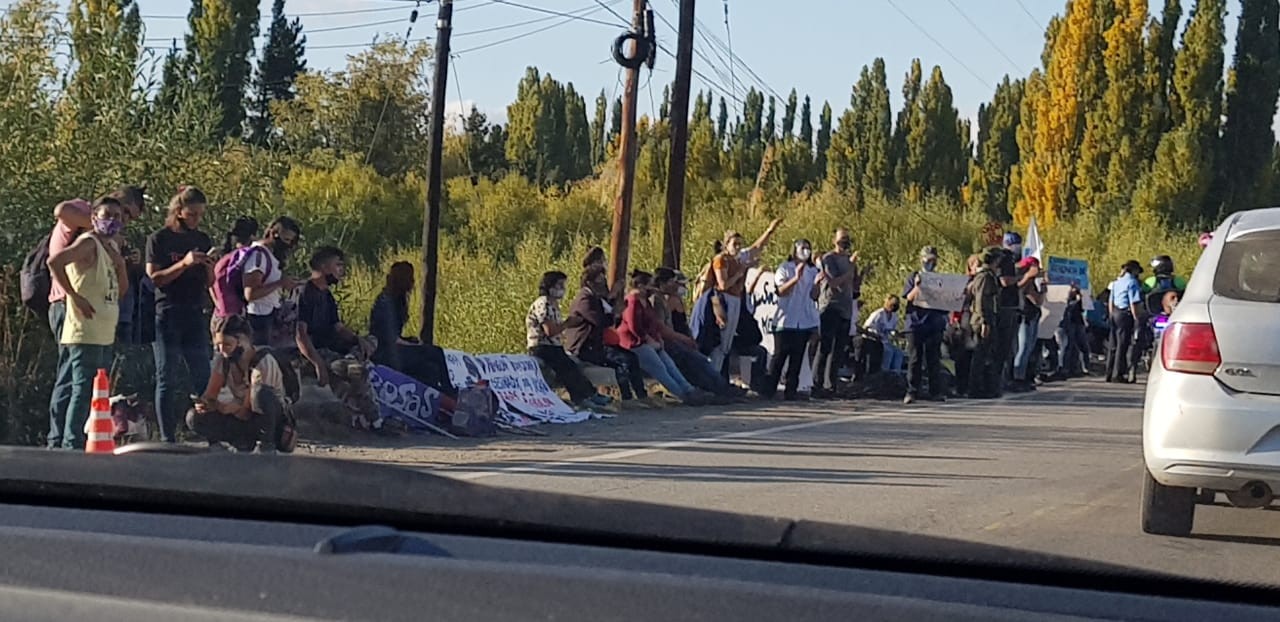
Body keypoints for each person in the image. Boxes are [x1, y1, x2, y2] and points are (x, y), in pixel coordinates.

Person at [45, 196, 128, 449]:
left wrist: (120, 263)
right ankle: (70, 442)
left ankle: (82, 438)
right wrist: (74, 296)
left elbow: (120, 290)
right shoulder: (88, 243)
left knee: (95, 389)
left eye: (118, 217)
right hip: (85, 329)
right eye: (107, 215)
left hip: (103, 329)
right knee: (80, 389)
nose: (113, 221)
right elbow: (55, 261)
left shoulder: (109, 248)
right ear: (94, 218)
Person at [145, 186, 215, 443]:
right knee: (167, 375)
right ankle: (167, 437)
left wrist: (208, 266)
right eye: (192, 214)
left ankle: (211, 433)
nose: (196, 220)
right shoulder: (159, 239)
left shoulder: (202, 239)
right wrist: (183, 263)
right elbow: (155, 278)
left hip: (194, 312)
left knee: (202, 376)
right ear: (179, 211)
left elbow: (210, 282)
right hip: (167, 312)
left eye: (200, 215)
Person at [295, 246, 383, 429]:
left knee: (372, 341)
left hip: (333, 348)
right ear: (324, 266)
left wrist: (359, 340)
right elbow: (300, 335)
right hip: (316, 352)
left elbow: (338, 327)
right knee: (358, 372)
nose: (341, 270)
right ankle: (375, 420)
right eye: (338, 265)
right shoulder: (305, 293)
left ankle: (352, 359)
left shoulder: (326, 295)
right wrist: (318, 364)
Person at [188, 316, 287, 453]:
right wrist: (205, 404)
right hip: (240, 415)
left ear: (242, 341)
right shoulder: (223, 360)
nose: (223, 351)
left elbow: (247, 410)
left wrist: (227, 408)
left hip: (265, 418)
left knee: (260, 394)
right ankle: (235, 443)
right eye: (219, 346)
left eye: (227, 345)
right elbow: (210, 394)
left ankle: (266, 445)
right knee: (194, 417)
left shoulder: (263, 362)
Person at [563, 266, 653, 409]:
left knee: (631, 358)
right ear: (590, 282)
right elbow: (600, 321)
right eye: (600, 280)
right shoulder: (584, 300)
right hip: (584, 347)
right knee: (622, 361)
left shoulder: (594, 298)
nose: (603, 283)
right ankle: (627, 399)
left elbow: (608, 316)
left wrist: (613, 306)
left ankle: (641, 396)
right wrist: (615, 313)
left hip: (596, 345)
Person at [619, 271, 710, 406]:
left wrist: (657, 339)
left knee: (670, 364)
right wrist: (649, 340)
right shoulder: (632, 302)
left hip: (651, 341)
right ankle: (682, 394)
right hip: (635, 343)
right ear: (640, 286)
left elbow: (653, 324)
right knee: (659, 367)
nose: (651, 288)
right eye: (648, 285)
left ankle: (689, 389)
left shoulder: (646, 302)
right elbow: (634, 327)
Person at [527, 271, 613, 410]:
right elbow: (550, 331)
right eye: (559, 285)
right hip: (542, 347)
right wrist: (567, 323)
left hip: (554, 346)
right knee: (566, 366)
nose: (562, 289)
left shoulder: (554, 304)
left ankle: (587, 395)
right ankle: (584, 397)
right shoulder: (543, 303)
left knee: (571, 365)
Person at [706, 220, 782, 376]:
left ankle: (720, 379)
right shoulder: (721, 260)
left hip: (736, 301)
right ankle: (714, 377)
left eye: (740, 244)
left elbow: (757, 247)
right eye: (735, 244)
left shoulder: (737, 258)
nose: (738, 247)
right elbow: (722, 285)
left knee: (727, 343)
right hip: (724, 301)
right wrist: (742, 271)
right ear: (726, 244)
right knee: (721, 342)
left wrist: (770, 230)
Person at [652, 268, 737, 400]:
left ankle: (720, 388)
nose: (678, 286)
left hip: (677, 340)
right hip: (669, 341)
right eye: (673, 282)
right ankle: (710, 390)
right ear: (663, 283)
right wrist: (683, 339)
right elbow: (662, 328)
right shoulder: (662, 300)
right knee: (695, 361)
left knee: (701, 361)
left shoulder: (668, 299)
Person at [368, 261, 449, 389]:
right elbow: (391, 338)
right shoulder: (386, 303)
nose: (413, 281)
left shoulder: (397, 300)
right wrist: (415, 346)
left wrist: (410, 341)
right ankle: (449, 389)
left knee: (430, 369)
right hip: (385, 352)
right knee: (435, 352)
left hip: (392, 348)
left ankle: (437, 393)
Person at [766, 240, 820, 400]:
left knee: (797, 359)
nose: (806, 251)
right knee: (779, 357)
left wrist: (817, 284)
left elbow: (814, 296)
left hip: (803, 322)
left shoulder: (812, 270)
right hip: (785, 321)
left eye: (808, 248)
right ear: (795, 250)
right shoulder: (785, 268)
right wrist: (796, 278)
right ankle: (769, 390)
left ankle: (791, 391)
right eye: (802, 248)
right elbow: (781, 291)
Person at [241, 216, 302, 346]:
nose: (287, 245)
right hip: (258, 317)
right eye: (285, 239)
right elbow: (250, 294)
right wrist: (280, 283)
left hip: (269, 313)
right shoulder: (258, 256)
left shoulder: (269, 255)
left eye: (291, 241)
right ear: (274, 234)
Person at [813, 228, 860, 397]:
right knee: (825, 347)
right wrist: (851, 268)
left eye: (847, 239)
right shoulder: (829, 259)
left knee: (838, 350)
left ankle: (831, 385)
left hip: (846, 309)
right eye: (841, 240)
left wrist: (859, 275)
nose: (844, 243)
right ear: (834, 240)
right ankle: (817, 384)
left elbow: (853, 286)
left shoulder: (849, 260)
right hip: (831, 306)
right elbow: (835, 283)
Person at [902, 246, 949, 404]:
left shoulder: (940, 279)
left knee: (933, 359)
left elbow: (945, 302)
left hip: (934, 323)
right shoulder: (914, 276)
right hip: (916, 324)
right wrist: (918, 286)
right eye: (927, 260)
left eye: (933, 260)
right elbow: (908, 297)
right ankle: (912, 391)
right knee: (915, 359)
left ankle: (935, 392)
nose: (930, 263)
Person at [210, 216, 258, 338]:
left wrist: (219, 305)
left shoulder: (221, 256)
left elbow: (210, 283)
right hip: (234, 316)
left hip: (220, 312)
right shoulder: (245, 256)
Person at [967, 247, 1005, 399]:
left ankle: (986, 385)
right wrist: (985, 322)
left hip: (989, 318)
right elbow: (981, 300)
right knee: (980, 355)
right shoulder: (984, 277)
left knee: (987, 354)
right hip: (982, 321)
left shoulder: (989, 276)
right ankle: (975, 388)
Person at [949, 255, 983, 396]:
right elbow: (957, 300)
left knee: (974, 355)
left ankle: (973, 386)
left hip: (977, 320)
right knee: (962, 356)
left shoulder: (985, 280)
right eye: (976, 264)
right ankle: (961, 386)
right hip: (964, 320)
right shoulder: (964, 281)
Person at [1010, 256, 1045, 392]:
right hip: (1024, 316)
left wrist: (1043, 288)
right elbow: (1020, 290)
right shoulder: (1021, 278)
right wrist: (1028, 277)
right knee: (1022, 348)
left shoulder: (1032, 281)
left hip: (1033, 316)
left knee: (1029, 348)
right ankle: (1017, 377)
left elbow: (1038, 300)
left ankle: (1024, 376)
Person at [994, 232, 1023, 393]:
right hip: (1005, 307)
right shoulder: (1005, 258)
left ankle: (1005, 379)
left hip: (1010, 306)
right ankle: (1000, 380)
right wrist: (1021, 278)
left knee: (1010, 347)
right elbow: (1005, 281)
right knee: (1004, 346)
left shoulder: (1011, 259)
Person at [1107, 260, 1144, 384]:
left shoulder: (1116, 282)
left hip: (1114, 313)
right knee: (1122, 345)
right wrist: (1136, 318)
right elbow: (1133, 302)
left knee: (1113, 344)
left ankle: (1109, 372)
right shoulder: (1132, 282)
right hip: (1125, 314)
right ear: (1133, 270)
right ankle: (1117, 374)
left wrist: (1111, 314)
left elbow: (1110, 301)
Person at [862, 294, 903, 373]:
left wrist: (897, 334)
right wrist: (874, 334)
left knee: (898, 352)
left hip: (885, 341)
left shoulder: (894, 316)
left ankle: (896, 374)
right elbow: (866, 327)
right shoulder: (878, 314)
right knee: (888, 352)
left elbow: (892, 330)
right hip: (874, 339)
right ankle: (884, 373)